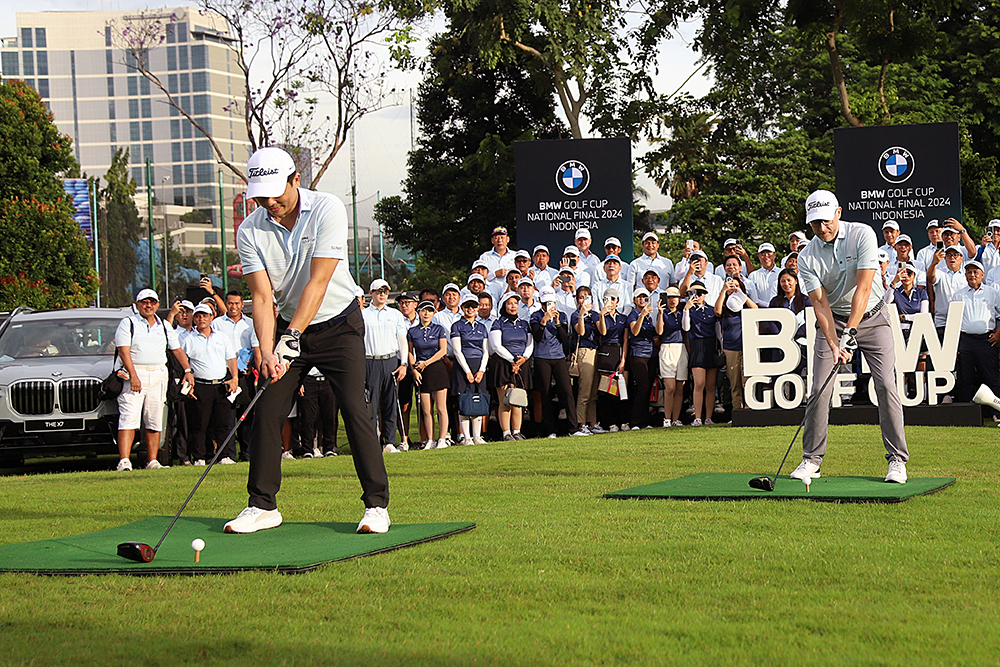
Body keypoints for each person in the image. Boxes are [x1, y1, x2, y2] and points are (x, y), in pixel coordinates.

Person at [230, 146, 390, 535]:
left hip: (339, 325)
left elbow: (318, 283)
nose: (270, 203)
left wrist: (290, 338)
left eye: (276, 193)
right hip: (288, 330)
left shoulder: (328, 209)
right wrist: (268, 352)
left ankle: (376, 507)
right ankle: (262, 505)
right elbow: (263, 297)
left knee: (354, 410)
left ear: (295, 179)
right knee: (268, 410)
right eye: (261, 196)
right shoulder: (249, 230)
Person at [793, 189, 909, 484]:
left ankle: (897, 460)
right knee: (819, 389)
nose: (822, 228)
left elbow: (864, 288)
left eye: (826, 220)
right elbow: (819, 304)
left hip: (874, 318)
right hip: (832, 322)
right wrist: (834, 342)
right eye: (815, 223)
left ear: (839, 213)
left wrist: (850, 334)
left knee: (885, 385)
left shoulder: (862, 234)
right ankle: (811, 460)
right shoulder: (806, 257)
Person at [114, 288, 195, 471]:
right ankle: (124, 460)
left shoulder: (165, 326)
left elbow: (177, 350)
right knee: (129, 418)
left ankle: (152, 460)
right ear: (137, 305)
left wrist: (188, 370)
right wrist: (133, 375)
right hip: (134, 374)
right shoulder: (128, 323)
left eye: (151, 302)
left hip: (158, 374)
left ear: (157, 305)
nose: (148, 305)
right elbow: (123, 351)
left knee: (155, 418)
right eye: (144, 302)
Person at [182, 303, 240, 466]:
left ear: (211, 317)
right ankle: (200, 456)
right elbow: (184, 362)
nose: (201, 319)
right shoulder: (188, 339)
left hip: (221, 384)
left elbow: (231, 359)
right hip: (200, 386)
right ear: (194, 318)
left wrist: (235, 377)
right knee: (200, 424)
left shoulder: (221, 337)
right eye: (198, 316)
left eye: (205, 316)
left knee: (223, 423)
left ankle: (223, 455)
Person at [530, 287, 587, 438]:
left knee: (567, 390)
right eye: (546, 303)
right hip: (542, 357)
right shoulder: (535, 316)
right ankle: (550, 430)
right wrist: (544, 320)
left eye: (551, 302)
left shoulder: (561, 315)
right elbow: (537, 336)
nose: (549, 306)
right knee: (546, 393)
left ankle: (573, 428)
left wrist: (557, 323)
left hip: (558, 356)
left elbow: (564, 338)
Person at [363, 278, 409, 454]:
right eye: (379, 291)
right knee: (371, 405)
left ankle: (389, 442)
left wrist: (403, 363)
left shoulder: (395, 314)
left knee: (391, 403)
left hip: (390, 361)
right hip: (370, 361)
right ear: (371, 293)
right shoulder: (363, 315)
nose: (382, 294)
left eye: (385, 291)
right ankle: (372, 441)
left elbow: (402, 340)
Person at [950, 260, 1000, 403]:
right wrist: (957, 343)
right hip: (966, 340)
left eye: (975, 272)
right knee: (965, 378)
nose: (972, 275)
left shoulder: (993, 293)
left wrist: (997, 334)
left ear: (982, 274)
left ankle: (996, 411)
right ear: (965, 275)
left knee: (991, 376)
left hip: (986, 340)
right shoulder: (958, 295)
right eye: (969, 272)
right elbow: (955, 321)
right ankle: (965, 411)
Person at [489, 292, 533, 441]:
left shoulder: (524, 323)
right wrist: (512, 360)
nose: (513, 306)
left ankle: (517, 431)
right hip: (503, 363)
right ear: (504, 306)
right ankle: (506, 433)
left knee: (518, 401)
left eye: (515, 303)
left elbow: (529, 344)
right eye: (509, 303)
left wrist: (523, 359)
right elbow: (496, 345)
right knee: (505, 400)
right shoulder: (498, 323)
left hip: (521, 364)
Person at [716, 258, 758, 411]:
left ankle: (749, 409)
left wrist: (741, 294)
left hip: (747, 346)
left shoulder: (745, 303)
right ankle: (737, 410)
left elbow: (756, 310)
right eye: (731, 286)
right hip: (731, 348)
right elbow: (717, 311)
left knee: (747, 380)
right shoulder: (726, 305)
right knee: (734, 382)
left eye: (736, 286)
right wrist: (724, 291)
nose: (733, 288)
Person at [408, 300, 450, 449]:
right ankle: (430, 439)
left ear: (433, 313)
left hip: (437, 368)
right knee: (426, 410)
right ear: (418, 312)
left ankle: (442, 439)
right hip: (420, 371)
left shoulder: (438, 329)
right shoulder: (413, 331)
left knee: (441, 407)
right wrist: (414, 370)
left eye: (429, 311)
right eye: (423, 310)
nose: (426, 313)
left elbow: (442, 350)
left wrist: (426, 363)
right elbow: (410, 352)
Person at [451, 291, 489, 445]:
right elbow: (457, 350)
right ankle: (466, 437)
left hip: (479, 365)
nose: (470, 309)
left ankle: (477, 436)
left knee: (478, 399)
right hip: (462, 367)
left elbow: (486, 350)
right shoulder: (457, 325)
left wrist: (481, 370)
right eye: (467, 307)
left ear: (477, 308)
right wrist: (467, 371)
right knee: (464, 400)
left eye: (473, 306)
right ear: (462, 307)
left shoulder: (482, 326)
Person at [890, 261, 930, 396]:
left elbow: (924, 315)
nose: (906, 276)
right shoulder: (895, 292)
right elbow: (885, 303)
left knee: (921, 364)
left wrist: (904, 317)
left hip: (918, 331)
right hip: (900, 332)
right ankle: (903, 394)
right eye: (903, 273)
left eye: (909, 273)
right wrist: (894, 282)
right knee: (903, 366)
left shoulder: (921, 293)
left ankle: (923, 395)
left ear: (914, 276)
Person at [682, 281, 718, 426]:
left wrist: (719, 347)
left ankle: (708, 417)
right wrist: (686, 309)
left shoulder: (711, 310)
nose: (697, 296)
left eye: (700, 293)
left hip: (710, 345)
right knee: (699, 383)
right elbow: (686, 327)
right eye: (694, 293)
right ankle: (697, 417)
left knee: (710, 385)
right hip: (697, 344)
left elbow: (717, 329)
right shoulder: (689, 310)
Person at [594, 288, 629, 432]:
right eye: (607, 299)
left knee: (622, 390)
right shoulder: (600, 316)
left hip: (620, 351)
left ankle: (623, 421)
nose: (611, 302)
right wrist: (602, 315)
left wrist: (623, 360)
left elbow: (626, 339)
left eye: (613, 299)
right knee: (606, 391)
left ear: (617, 301)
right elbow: (603, 332)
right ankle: (609, 422)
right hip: (606, 351)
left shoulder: (623, 318)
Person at [572, 285, 603, 434]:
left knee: (594, 392)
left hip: (596, 351)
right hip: (584, 352)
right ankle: (581, 423)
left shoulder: (595, 314)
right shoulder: (575, 315)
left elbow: (603, 331)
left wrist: (601, 315)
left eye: (587, 296)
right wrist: (582, 314)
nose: (584, 299)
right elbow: (582, 332)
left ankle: (593, 422)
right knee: (584, 390)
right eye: (581, 297)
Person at [626, 287, 658, 429]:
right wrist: (641, 315)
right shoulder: (633, 315)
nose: (641, 299)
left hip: (651, 354)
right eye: (639, 297)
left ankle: (644, 421)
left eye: (644, 297)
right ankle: (635, 421)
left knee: (648, 388)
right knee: (642, 387)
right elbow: (635, 331)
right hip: (638, 354)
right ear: (634, 300)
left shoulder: (650, 316)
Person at [655, 286, 687, 427]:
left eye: (675, 297)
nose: (672, 300)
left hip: (681, 348)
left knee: (680, 386)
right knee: (670, 387)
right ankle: (667, 418)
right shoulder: (663, 313)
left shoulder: (682, 313)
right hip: (667, 347)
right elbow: (659, 331)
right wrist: (660, 314)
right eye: (669, 297)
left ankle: (675, 419)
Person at [296, 366, 339, 458]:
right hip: (309, 380)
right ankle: (307, 449)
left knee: (330, 416)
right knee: (308, 417)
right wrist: (300, 382)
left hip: (327, 380)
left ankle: (329, 448)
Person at [395, 292, 419, 447]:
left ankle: (426, 438)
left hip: (422, 363)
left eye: (407, 302)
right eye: (402, 303)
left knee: (424, 402)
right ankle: (405, 438)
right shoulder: (396, 319)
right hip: (401, 364)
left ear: (415, 304)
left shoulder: (424, 316)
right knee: (404, 404)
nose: (404, 305)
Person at [746, 243, 780, 307]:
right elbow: (751, 295)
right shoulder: (753, 275)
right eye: (763, 254)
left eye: (769, 254)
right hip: (759, 311)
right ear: (759, 256)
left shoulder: (782, 273)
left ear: (774, 255)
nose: (766, 256)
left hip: (779, 309)